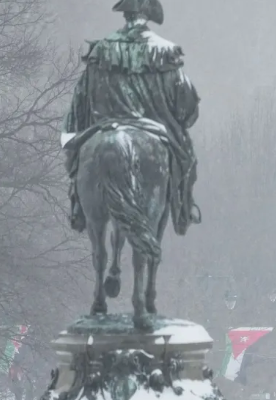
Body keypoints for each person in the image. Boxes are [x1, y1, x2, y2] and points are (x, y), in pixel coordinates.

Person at [63, 0, 201, 235]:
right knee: (188, 161)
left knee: (76, 159)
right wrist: (180, 120)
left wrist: (76, 129)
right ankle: (183, 209)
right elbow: (186, 101)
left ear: (124, 13)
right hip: (155, 126)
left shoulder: (101, 49)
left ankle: (77, 206)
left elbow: (81, 96)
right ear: (148, 14)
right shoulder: (166, 51)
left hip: (105, 125)